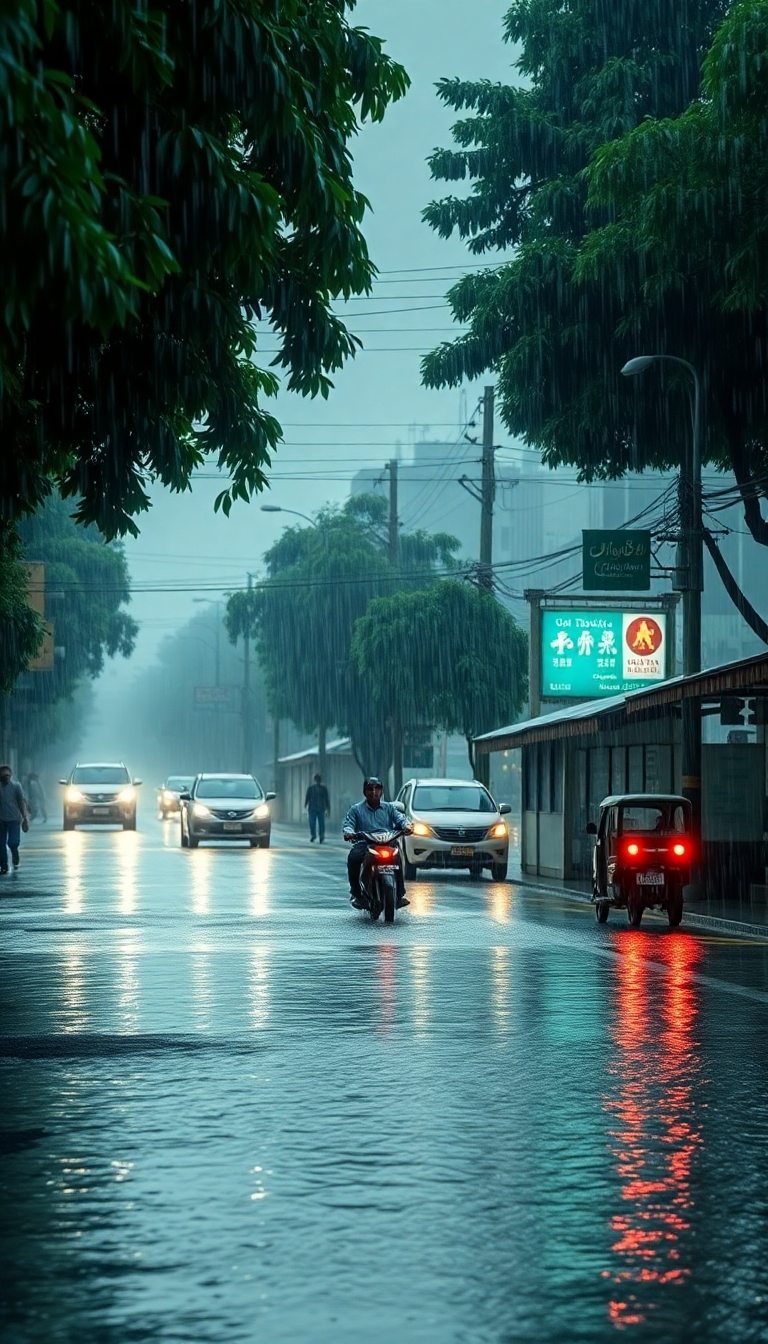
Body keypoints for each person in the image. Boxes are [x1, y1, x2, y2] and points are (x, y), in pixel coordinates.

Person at [343, 777, 411, 908]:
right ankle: (357, 894)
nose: (374, 792)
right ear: (364, 791)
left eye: (377, 788)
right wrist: (349, 832)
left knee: (398, 856)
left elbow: (400, 818)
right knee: (353, 858)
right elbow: (348, 824)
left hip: (387, 841)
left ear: (381, 791)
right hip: (365, 842)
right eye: (370, 789)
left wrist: (406, 826)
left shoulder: (389, 808)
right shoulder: (356, 809)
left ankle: (399, 894)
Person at [0, 764, 30, 875]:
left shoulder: (16, 786)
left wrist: (25, 818)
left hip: (14, 819)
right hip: (1, 821)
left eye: (7, 775)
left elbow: (21, 802)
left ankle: (14, 853)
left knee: (13, 842)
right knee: (1, 845)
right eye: (3, 775)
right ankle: (3, 865)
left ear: (11, 775)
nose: (6, 777)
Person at [304, 773, 330, 843]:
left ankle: (320, 835)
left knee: (320, 823)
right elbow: (307, 797)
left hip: (320, 808)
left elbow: (326, 799)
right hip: (313, 808)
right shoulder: (311, 788)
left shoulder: (323, 789)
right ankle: (314, 835)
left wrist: (327, 807)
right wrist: (305, 805)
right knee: (313, 823)